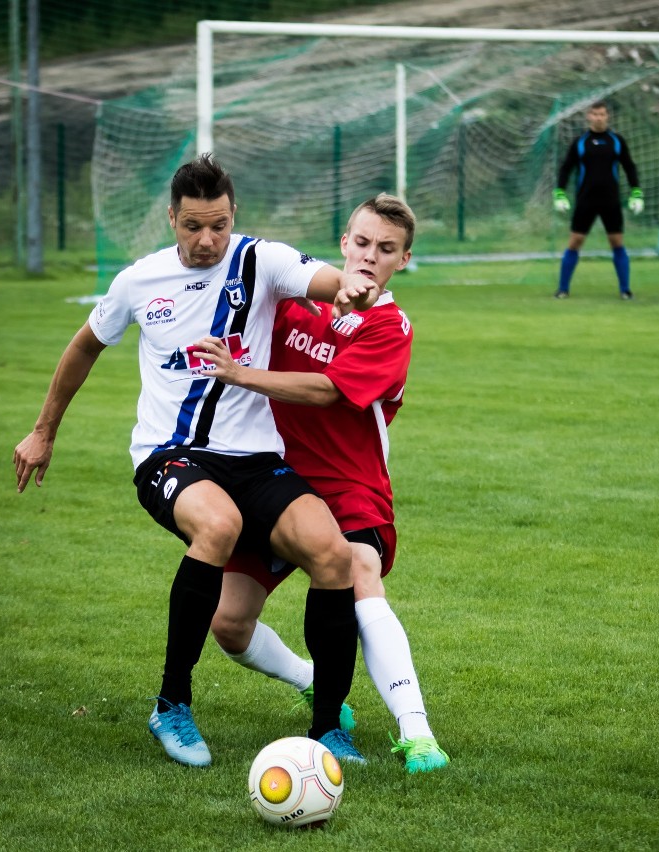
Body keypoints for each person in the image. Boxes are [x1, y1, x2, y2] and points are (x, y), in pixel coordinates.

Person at [12, 153, 382, 768]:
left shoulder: (261, 260)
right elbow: (83, 348)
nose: (208, 239)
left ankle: (327, 730)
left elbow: (322, 278)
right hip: (171, 455)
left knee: (332, 551)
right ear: (171, 220)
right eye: (193, 227)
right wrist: (43, 431)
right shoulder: (138, 282)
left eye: (219, 225)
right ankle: (172, 704)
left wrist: (349, 288)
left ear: (233, 215)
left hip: (256, 460)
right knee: (218, 525)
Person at [193, 194, 450, 773]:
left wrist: (240, 375)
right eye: (362, 243)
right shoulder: (294, 299)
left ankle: (417, 734)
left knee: (357, 568)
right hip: (271, 478)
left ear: (402, 261)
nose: (370, 256)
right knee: (229, 625)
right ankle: (314, 680)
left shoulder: (390, 327)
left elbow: (327, 391)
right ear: (343, 243)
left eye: (386, 249)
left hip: (348, 487)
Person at [552, 100, 643, 300]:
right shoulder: (580, 142)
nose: (599, 118)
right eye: (595, 114)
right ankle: (562, 289)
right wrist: (559, 193)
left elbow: (629, 166)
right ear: (589, 116)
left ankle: (625, 290)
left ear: (607, 116)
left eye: (602, 114)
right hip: (586, 201)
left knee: (617, 242)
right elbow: (566, 167)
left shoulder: (616, 141)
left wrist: (636, 192)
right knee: (575, 242)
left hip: (610, 201)